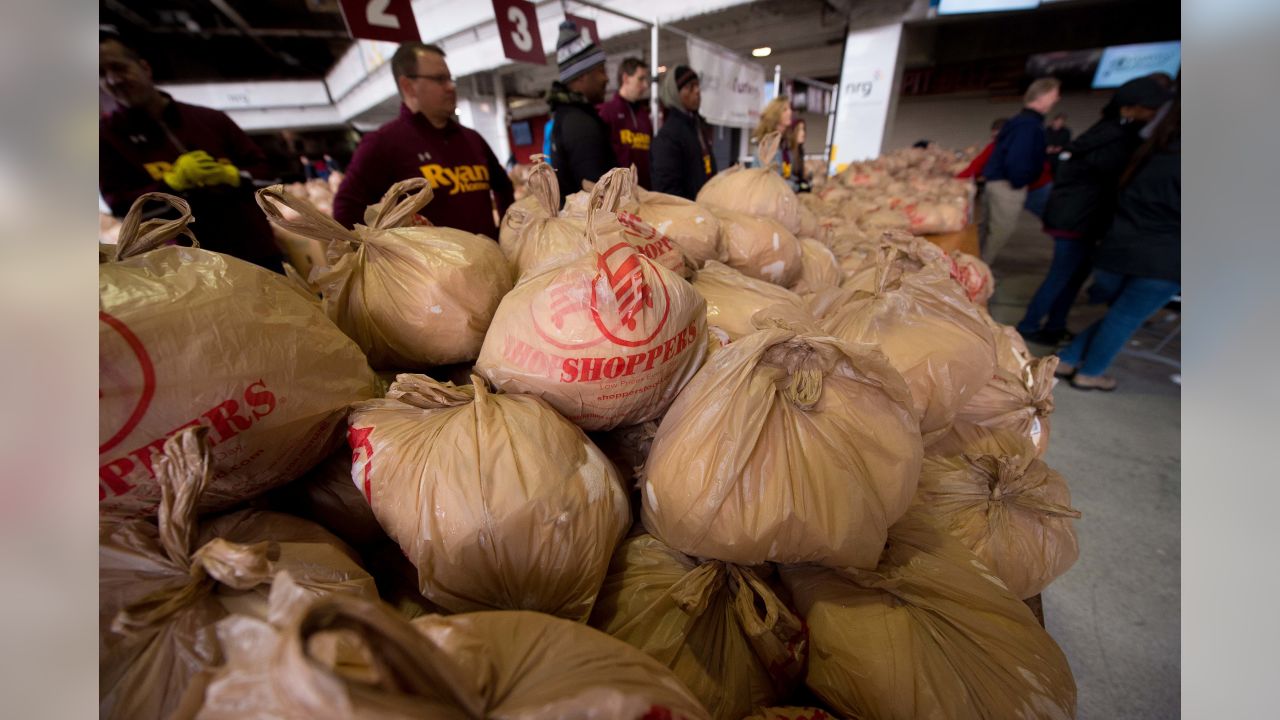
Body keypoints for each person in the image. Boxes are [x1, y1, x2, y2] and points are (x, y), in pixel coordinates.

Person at [99, 33, 284, 272]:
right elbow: (122, 208)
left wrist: (234, 176)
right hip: (192, 267)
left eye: (118, 67)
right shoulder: (108, 138)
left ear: (145, 67)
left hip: (258, 251)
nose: (113, 80)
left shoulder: (210, 119)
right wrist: (170, 184)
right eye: (101, 74)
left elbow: (270, 176)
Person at [1016, 76, 1172, 345]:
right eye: (1150, 109)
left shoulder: (1115, 133)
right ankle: (1029, 325)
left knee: (1073, 277)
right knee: (1062, 274)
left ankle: (1055, 325)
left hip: (1084, 219)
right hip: (1077, 219)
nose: (1154, 115)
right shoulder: (1113, 136)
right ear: (1130, 107)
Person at [1055, 98, 1180, 391]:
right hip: (1162, 259)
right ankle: (1090, 372)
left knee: (1121, 315)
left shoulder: (1148, 154)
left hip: (1117, 250)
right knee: (1125, 318)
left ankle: (1067, 357)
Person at [332, 43, 512, 238]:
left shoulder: (472, 139)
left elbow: (503, 187)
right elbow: (345, 212)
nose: (451, 86)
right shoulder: (383, 143)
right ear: (408, 86)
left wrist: (505, 233)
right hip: (434, 268)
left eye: (450, 78)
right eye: (440, 79)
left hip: (491, 263)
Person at [979, 77, 1061, 264]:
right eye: (1054, 95)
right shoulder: (1028, 125)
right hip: (1007, 185)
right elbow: (1018, 158)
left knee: (989, 230)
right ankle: (976, 275)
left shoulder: (1021, 122)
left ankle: (974, 270)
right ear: (1042, 96)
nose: (1056, 99)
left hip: (1000, 182)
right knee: (999, 231)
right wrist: (1019, 181)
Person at [546, 21, 616, 199]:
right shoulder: (579, 124)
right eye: (601, 71)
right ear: (582, 76)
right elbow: (598, 196)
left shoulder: (568, 116)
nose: (606, 78)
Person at [650, 66, 717, 200]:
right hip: (688, 215)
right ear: (675, 93)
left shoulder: (698, 126)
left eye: (697, 85)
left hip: (705, 208)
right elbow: (667, 190)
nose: (697, 91)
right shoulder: (668, 136)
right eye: (690, 87)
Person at [597, 57, 653, 188]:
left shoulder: (644, 116)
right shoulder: (607, 112)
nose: (646, 85)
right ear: (626, 78)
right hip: (618, 195)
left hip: (646, 192)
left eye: (646, 80)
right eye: (641, 79)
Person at [752, 97, 802, 190]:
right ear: (775, 115)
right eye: (785, 110)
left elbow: (786, 174)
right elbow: (772, 180)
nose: (790, 112)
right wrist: (797, 187)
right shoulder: (767, 144)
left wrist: (799, 182)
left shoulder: (784, 144)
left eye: (790, 109)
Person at [787, 118, 812, 192]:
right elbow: (786, 176)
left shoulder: (800, 152)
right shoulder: (787, 153)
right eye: (799, 130)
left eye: (804, 129)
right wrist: (798, 186)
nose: (803, 133)